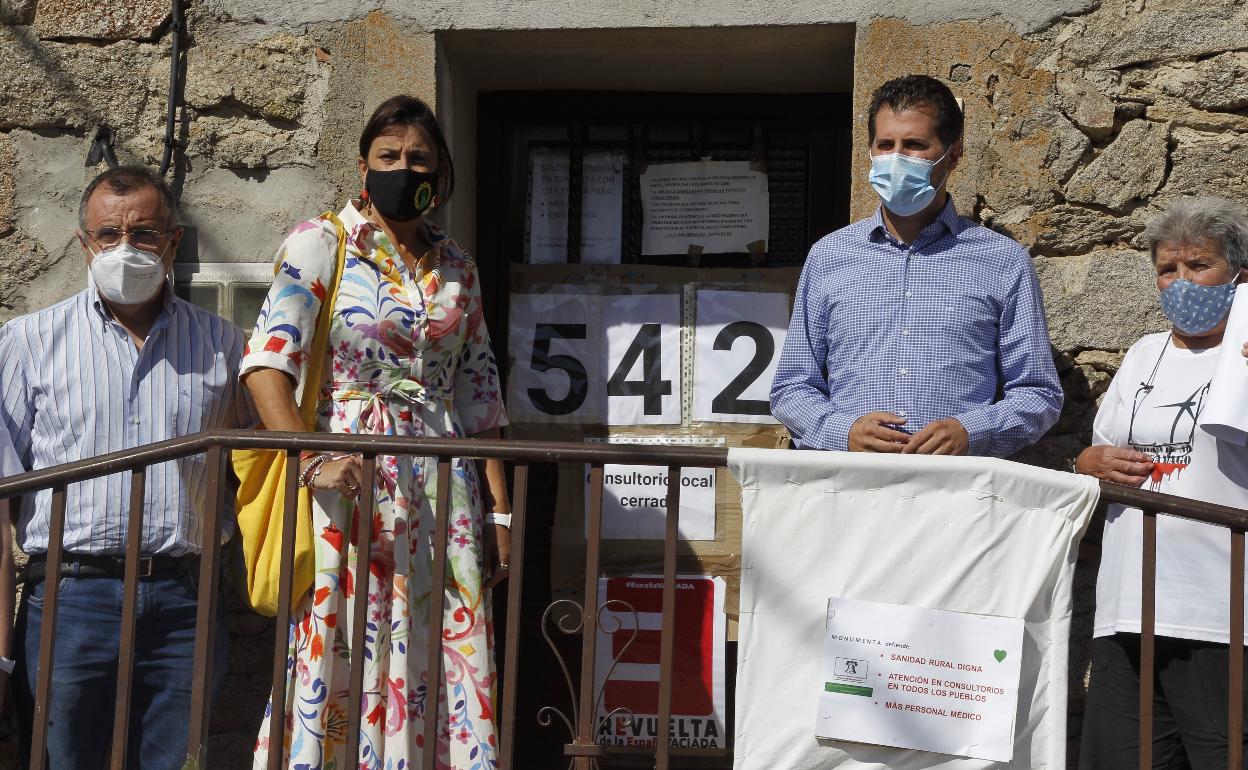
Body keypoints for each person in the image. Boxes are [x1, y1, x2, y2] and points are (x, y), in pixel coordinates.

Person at [243, 94, 512, 768]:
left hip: (443, 490)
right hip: (350, 483)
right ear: (363, 165)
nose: (403, 167)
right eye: (389, 155)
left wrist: (501, 514)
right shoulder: (321, 242)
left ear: (439, 170)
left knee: (441, 648)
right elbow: (267, 365)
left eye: (417, 157)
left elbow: (480, 395)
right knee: (341, 643)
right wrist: (311, 461)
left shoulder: (460, 267)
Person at [0, 165, 250, 768]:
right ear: (85, 243)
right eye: (108, 235)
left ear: (174, 241)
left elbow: (258, 467)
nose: (125, 248)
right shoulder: (28, 343)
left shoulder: (225, 346)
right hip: (69, 597)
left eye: (142, 233)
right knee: (61, 758)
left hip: (184, 602)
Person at [770, 74, 1062, 457]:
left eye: (914, 146)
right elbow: (792, 387)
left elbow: (1038, 394)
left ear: (953, 154)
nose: (896, 159)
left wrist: (971, 431)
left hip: (955, 496)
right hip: (851, 492)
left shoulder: (1003, 262)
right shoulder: (828, 256)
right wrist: (843, 432)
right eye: (885, 145)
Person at [1076, 196, 1248, 768]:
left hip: (1220, 608)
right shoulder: (1143, 354)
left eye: (1198, 266)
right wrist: (1088, 464)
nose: (1181, 282)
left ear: (1238, 276)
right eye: (1167, 270)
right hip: (1130, 602)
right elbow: (1102, 448)